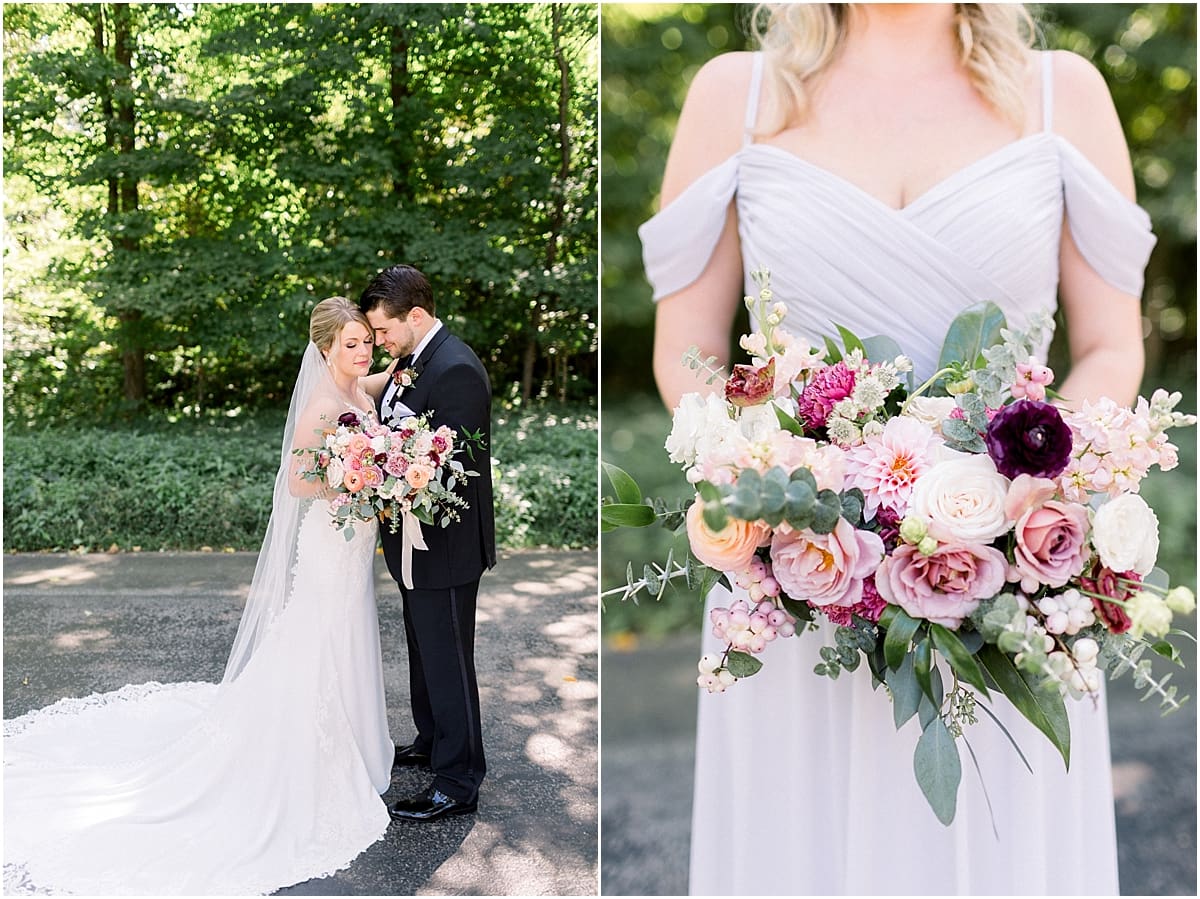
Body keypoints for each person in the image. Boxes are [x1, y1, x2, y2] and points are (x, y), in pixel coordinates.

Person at [640, 3, 1154, 894]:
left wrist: (1023, 498)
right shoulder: (738, 94)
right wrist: (785, 474)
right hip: (804, 567)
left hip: (1006, 575)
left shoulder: (1062, 95)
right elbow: (688, 350)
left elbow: (1110, 344)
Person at [4, 297, 399, 895]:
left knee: (349, 630)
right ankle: (308, 754)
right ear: (324, 350)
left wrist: (397, 379)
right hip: (328, 542)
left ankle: (357, 742)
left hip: (352, 546)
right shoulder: (320, 405)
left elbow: (372, 382)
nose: (363, 351)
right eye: (351, 344)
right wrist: (358, 478)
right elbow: (298, 480)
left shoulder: (360, 394)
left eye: (366, 341)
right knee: (318, 634)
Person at [360, 263, 496, 822]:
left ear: (416, 316)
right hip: (409, 538)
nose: (379, 342)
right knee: (422, 647)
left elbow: (454, 467)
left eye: (384, 331)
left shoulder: (456, 368)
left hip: (445, 544)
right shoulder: (409, 361)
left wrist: (383, 464)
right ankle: (432, 738)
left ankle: (459, 780)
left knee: (449, 660)